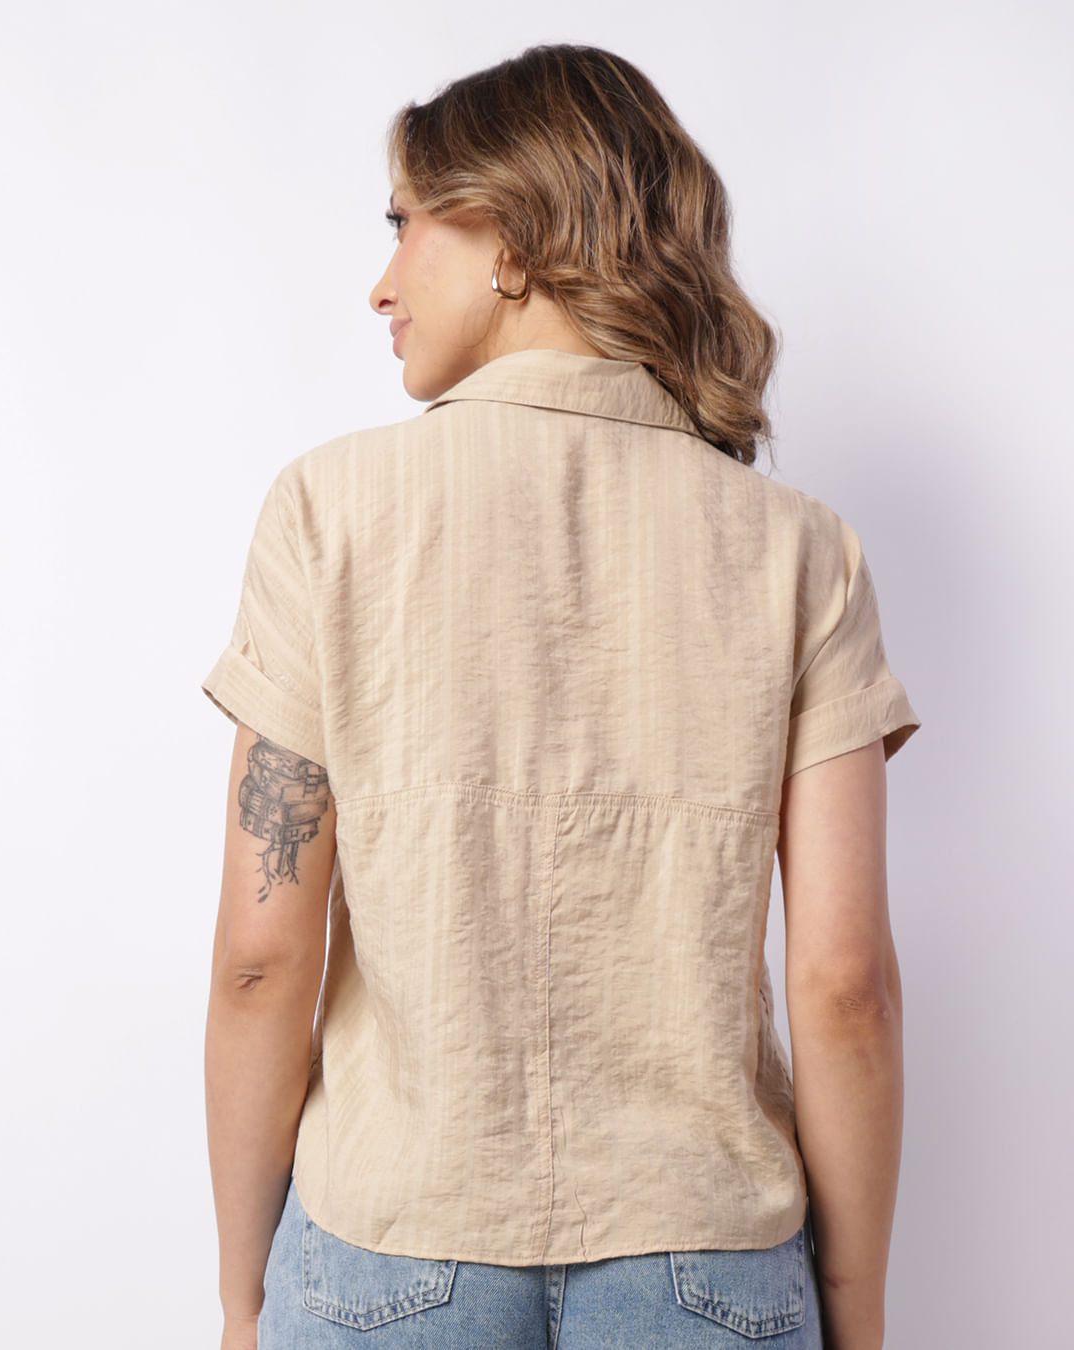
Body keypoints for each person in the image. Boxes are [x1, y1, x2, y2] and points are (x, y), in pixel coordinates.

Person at [203, 44, 918, 1350]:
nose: (381, 283)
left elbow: (261, 959)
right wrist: (856, 1308)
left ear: (516, 240)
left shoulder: (325, 512)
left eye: (405, 223)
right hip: (707, 1264)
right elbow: (845, 983)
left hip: (389, 1246)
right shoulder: (800, 551)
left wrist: (246, 1291)